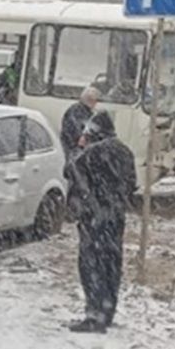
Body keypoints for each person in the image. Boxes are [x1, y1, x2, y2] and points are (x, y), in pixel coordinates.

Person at [66, 112, 137, 333]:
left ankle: (94, 315)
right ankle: (107, 311)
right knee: (111, 263)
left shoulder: (90, 153)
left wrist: (80, 147)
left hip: (94, 217)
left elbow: (70, 170)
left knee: (91, 264)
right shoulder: (125, 152)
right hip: (116, 217)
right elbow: (132, 184)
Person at [60, 86, 100, 159]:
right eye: (95, 100)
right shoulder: (77, 111)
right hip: (73, 148)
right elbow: (76, 130)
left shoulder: (84, 111)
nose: (96, 103)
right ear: (90, 100)